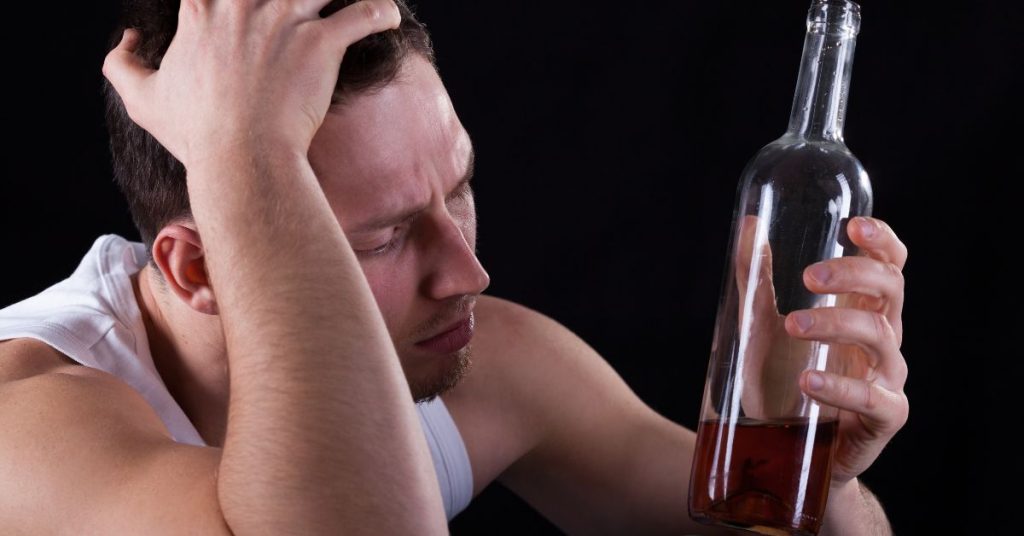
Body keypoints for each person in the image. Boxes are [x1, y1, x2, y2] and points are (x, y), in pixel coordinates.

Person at [0, 0, 909, 533]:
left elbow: (764, 531)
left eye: (459, 188)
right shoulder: (28, 422)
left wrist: (817, 475)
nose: (466, 270)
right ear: (197, 268)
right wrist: (249, 154)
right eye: (385, 237)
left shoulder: (469, 362)